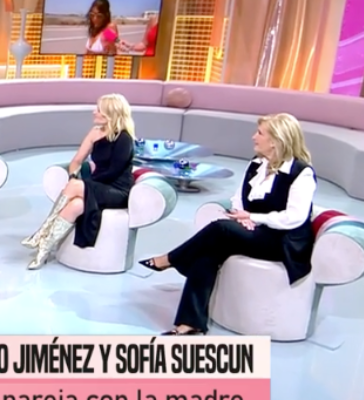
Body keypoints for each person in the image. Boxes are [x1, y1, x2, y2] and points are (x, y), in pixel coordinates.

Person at [139, 113, 317, 335]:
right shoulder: (257, 164)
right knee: (207, 254)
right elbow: (238, 199)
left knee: (220, 228)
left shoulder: (301, 173)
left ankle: (170, 259)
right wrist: (243, 217)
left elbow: (294, 217)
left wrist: (253, 217)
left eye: (260, 133)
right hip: (254, 232)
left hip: (283, 241)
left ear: (275, 141)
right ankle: (189, 324)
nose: (253, 137)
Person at [22, 93, 136, 269]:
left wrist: (84, 185)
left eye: (99, 109)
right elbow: (76, 161)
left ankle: (41, 232)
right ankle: (44, 250)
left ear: (110, 114)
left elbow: (113, 172)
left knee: (76, 187)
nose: (94, 112)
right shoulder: (95, 132)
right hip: (98, 186)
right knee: (75, 205)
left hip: (116, 190)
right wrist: (74, 177)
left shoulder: (124, 139)